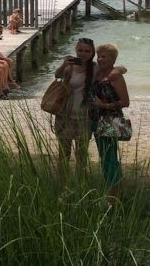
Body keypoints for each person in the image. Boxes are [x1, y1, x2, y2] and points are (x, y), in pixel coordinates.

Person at [92, 43, 130, 203]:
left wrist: (104, 105)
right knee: (106, 157)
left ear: (113, 59)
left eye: (104, 56)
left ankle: (112, 197)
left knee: (109, 158)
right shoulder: (98, 73)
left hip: (110, 120)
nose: (100, 59)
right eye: (98, 56)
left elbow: (125, 102)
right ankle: (118, 193)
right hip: (96, 120)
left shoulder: (116, 77)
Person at [53, 37, 96, 179]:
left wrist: (119, 69)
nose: (83, 53)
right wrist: (64, 64)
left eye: (87, 51)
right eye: (80, 50)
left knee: (81, 155)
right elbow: (57, 75)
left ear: (92, 52)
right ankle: (62, 183)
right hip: (65, 116)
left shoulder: (95, 67)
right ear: (76, 50)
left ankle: (81, 183)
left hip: (85, 117)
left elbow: (116, 69)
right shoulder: (71, 64)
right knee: (64, 154)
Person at [0, 24, 19, 89]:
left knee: (10, 62)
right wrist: (2, 59)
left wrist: (3, 57)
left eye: (2, 32)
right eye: (0, 31)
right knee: (5, 63)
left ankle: (8, 81)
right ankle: (8, 82)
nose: (1, 33)